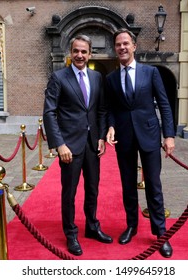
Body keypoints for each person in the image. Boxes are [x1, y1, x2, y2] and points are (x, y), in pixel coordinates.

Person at [105, 28, 175, 258]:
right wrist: (111, 126)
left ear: (134, 46)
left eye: (126, 43)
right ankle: (131, 226)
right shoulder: (111, 78)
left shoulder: (150, 72)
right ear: (115, 49)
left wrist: (169, 135)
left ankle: (160, 233)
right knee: (128, 186)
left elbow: (164, 104)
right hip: (124, 138)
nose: (122, 47)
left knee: (154, 186)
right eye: (118, 44)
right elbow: (111, 109)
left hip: (150, 136)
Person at [43, 34, 112, 256]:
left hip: (93, 146)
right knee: (69, 193)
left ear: (90, 53)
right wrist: (59, 144)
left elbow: (101, 110)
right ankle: (71, 233)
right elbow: (49, 112)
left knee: (92, 189)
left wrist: (101, 137)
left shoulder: (97, 77)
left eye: (84, 51)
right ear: (70, 53)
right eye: (76, 51)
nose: (80, 55)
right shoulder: (58, 77)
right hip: (69, 147)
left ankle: (92, 227)